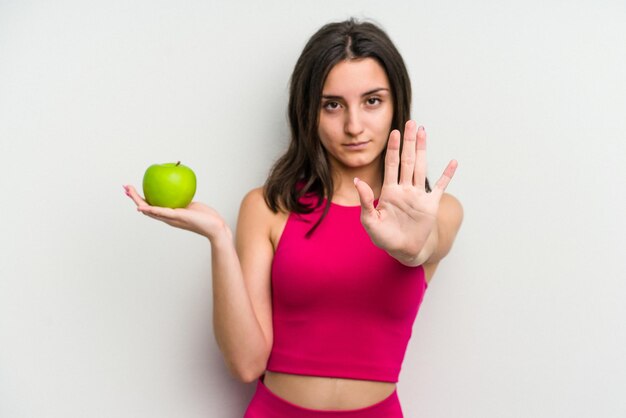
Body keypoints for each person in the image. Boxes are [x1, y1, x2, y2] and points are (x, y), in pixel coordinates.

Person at [125, 18, 462, 418]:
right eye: (332, 105)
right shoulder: (266, 207)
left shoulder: (435, 212)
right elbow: (246, 365)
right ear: (308, 111)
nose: (354, 126)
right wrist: (218, 237)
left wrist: (411, 246)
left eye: (372, 101)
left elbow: (422, 246)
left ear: (396, 105)